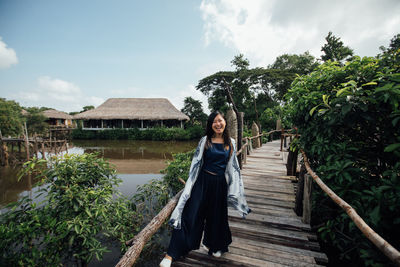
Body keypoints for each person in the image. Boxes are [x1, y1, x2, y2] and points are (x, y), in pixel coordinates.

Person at [159, 111, 251, 267]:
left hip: (219, 184)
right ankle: (171, 254)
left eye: (220, 120)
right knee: (190, 214)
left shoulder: (232, 142)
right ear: (211, 124)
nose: (218, 124)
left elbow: (232, 167)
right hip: (202, 181)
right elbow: (195, 164)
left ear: (225, 122)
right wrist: (190, 185)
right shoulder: (205, 141)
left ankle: (217, 246)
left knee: (217, 217)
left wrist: (234, 190)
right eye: (214, 121)